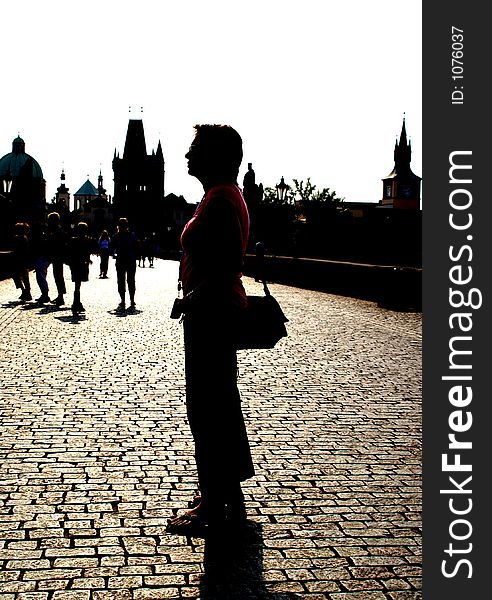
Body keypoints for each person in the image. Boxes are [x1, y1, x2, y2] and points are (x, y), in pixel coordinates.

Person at [166, 124, 254, 537]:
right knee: (217, 406)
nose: (187, 155)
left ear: (216, 156)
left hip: (212, 314)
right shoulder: (220, 195)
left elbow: (220, 269)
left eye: (195, 148)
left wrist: (190, 300)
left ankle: (216, 507)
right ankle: (221, 497)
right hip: (212, 311)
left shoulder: (219, 198)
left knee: (208, 410)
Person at [110, 217, 139, 311]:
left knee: (121, 281)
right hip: (130, 260)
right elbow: (137, 247)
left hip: (121, 260)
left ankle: (123, 300)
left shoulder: (116, 236)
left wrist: (114, 254)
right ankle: (132, 300)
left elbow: (111, 247)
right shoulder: (132, 235)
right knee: (131, 281)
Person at [67, 221, 91, 314]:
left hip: (74, 264)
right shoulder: (86, 240)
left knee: (77, 284)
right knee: (78, 285)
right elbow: (87, 252)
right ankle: (75, 303)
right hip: (81, 264)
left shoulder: (73, 240)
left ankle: (77, 302)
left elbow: (70, 252)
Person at [45, 212, 68, 306]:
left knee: (58, 276)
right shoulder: (58, 230)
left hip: (57, 256)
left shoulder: (57, 231)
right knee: (58, 276)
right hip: (57, 256)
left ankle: (61, 296)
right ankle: (60, 295)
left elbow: (57, 244)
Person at [29, 221, 50, 303]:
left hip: (41, 258)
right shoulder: (43, 236)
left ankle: (45, 294)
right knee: (41, 277)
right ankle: (44, 294)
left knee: (41, 277)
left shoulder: (39, 238)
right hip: (43, 258)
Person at [11, 222, 32, 301]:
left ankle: (26, 292)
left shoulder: (22, 239)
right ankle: (25, 292)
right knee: (21, 277)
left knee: (22, 277)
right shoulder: (21, 238)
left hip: (21, 260)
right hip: (21, 260)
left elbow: (18, 250)